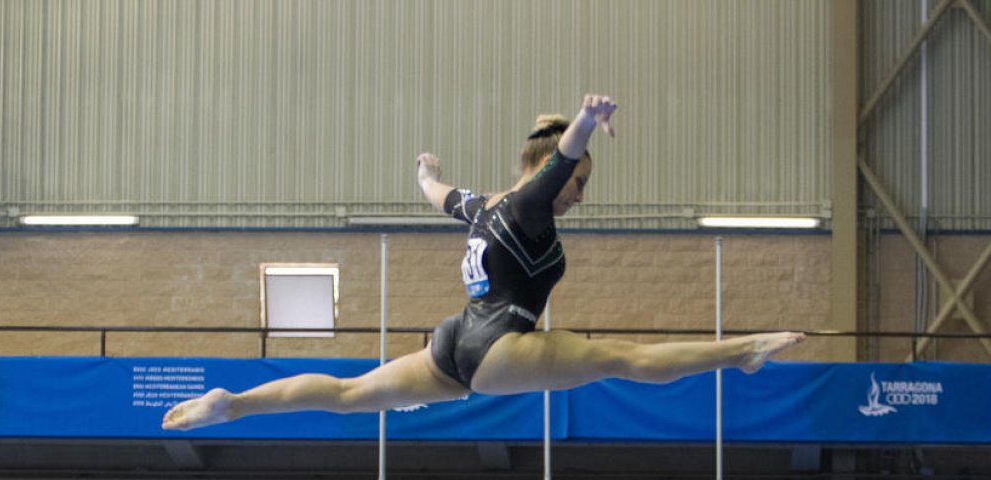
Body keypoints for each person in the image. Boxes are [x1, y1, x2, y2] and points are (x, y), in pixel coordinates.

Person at [161, 94, 804, 432]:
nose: (581, 192)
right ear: (554, 172)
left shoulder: (482, 206)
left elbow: (436, 196)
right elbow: (559, 160)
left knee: (350, 394)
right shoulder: (529, 201)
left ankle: (236, 404)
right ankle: (744, 349)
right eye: (580, 181)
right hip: (503, 342)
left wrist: (426, 174)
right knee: (622, 358)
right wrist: (583, 120)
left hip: (455, 341)